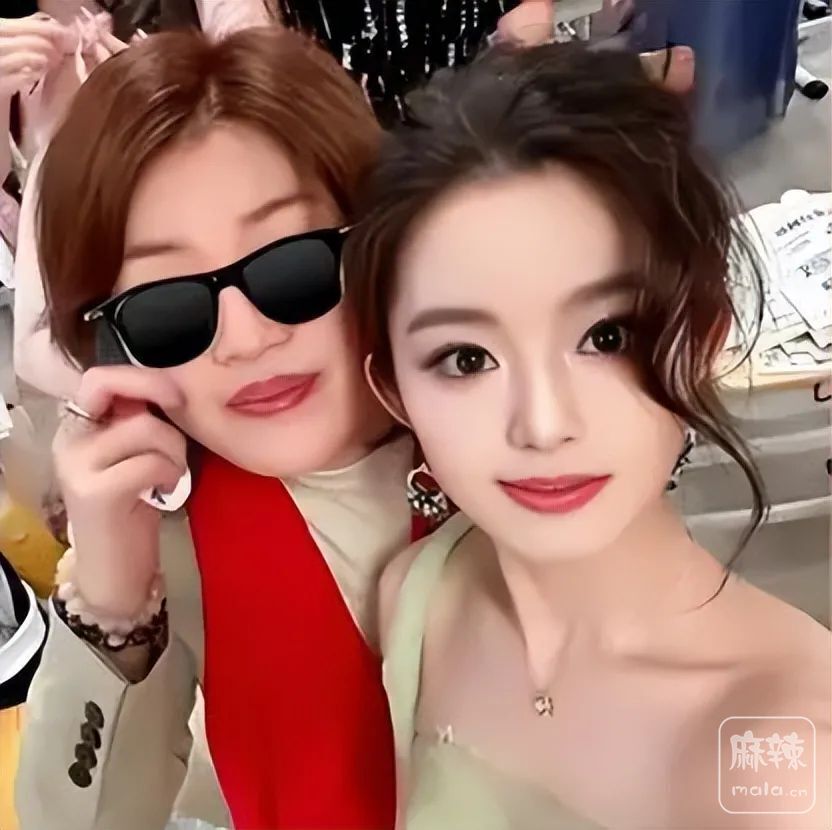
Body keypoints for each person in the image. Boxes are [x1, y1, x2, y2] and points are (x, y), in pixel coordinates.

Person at [346, 43, 832, 828]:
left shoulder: (785, 767)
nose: (543, 425)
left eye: (607, 337)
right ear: (394, 391)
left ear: (703, 338)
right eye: (466, 359)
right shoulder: (419, 596)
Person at [16, 27, 417, 830]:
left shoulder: (506, 424)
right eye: (168, 307)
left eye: (293, 264)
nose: (246, 338)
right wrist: (112, 597)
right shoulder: (175, 542)